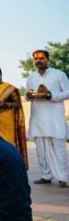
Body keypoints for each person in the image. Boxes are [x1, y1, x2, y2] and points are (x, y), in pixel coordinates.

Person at [26, 49, 69, 188]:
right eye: (36, 59)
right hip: (38, 118)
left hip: (54, 118)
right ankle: (46, 175)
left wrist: (51, 96)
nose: (38, 61)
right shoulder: (31, 76)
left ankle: (63, 178)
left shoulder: (59, 74)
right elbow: (27, 95)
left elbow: (67, 91)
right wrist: (30, 95)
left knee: (59, 149)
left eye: (42, 58)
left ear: (48, 59)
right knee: (41, 149)